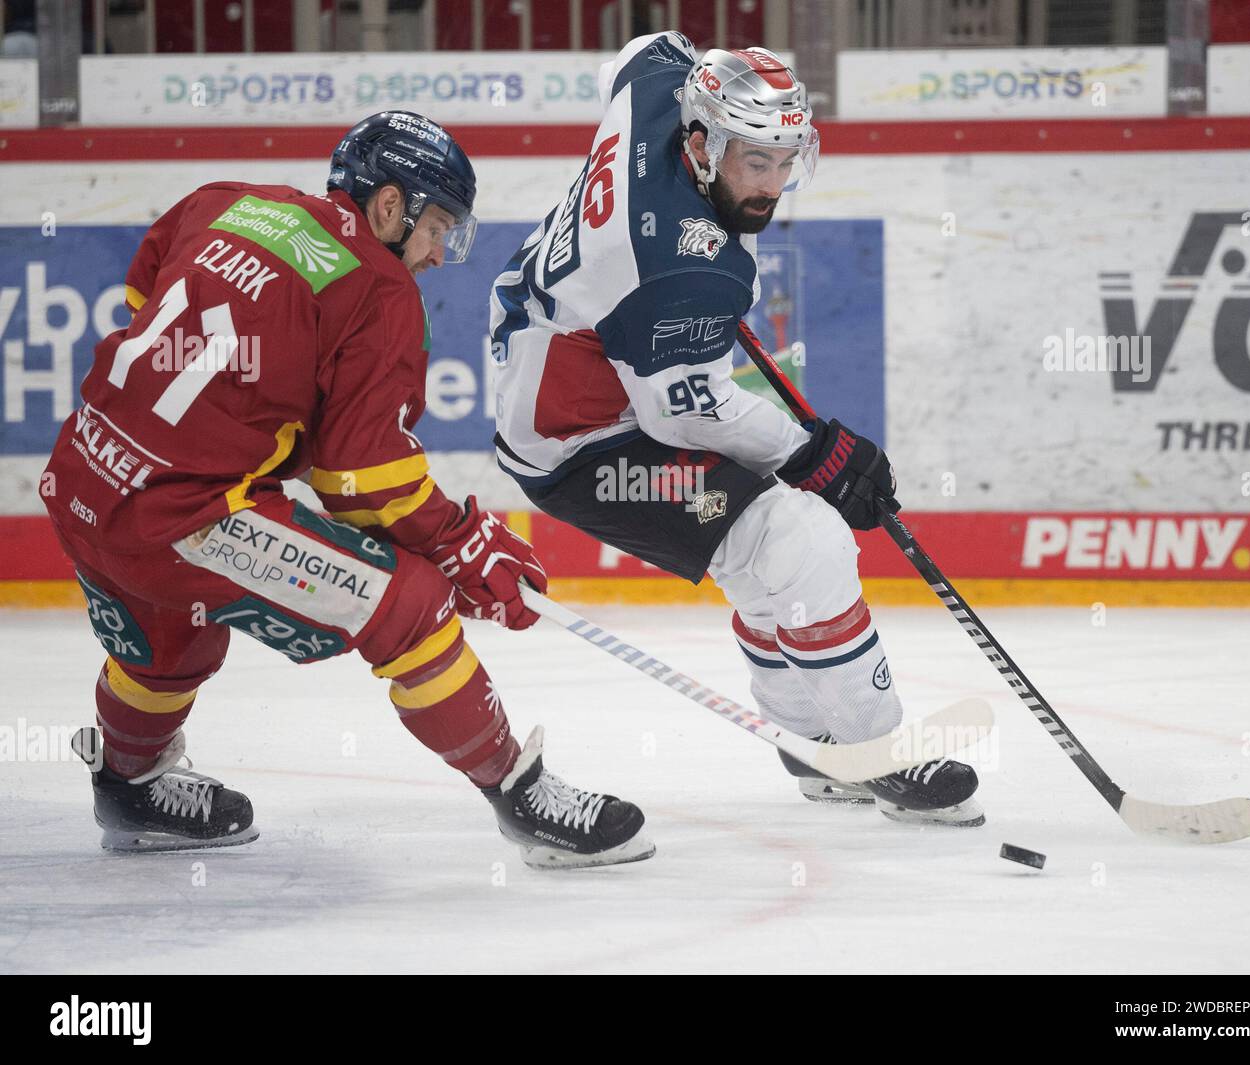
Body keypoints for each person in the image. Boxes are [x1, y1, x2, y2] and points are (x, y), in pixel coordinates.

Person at [43, 110, 654, 868]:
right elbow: (362, 480)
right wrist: (459, 540)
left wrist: (224, 424)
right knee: (414, 602)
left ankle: (129, 783)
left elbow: (145, 295)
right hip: (182, 514)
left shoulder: (227, 200)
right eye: (436, 226)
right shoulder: (378, 285)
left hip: (81, 474)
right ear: (388, 205)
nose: (437, 252)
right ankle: (521, 796)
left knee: (172, 629)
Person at [489, 35, 982, 826]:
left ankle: (809, 739)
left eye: (787, 160)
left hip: (561, 348)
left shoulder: (659, 84)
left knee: (769, 551)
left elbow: (645, 46)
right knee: (805, 541)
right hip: (581, 444)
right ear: (700, 142)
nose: (774, 186)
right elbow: (678, 410)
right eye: (756, 163)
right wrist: (812, 454)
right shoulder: (684, 266)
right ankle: (873, 754)